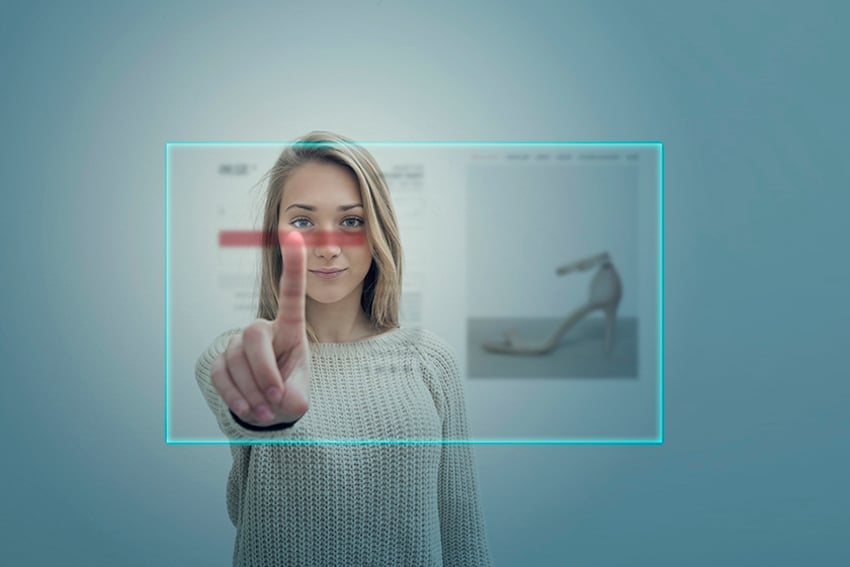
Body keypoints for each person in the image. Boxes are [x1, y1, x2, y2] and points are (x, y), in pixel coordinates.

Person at [195, 131, 492, 566]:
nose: (328, 247)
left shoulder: (431, 361)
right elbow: (230, 390)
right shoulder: (243, 352)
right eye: (302, 222)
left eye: (351, 221)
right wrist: (267, 410)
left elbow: (464, 541)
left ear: (378, 233)